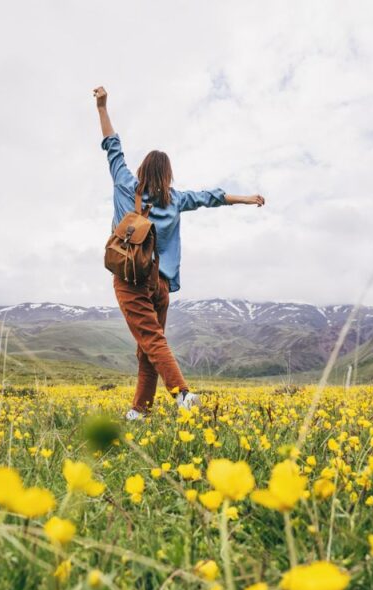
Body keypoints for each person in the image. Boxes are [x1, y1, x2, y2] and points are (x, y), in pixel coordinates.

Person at [94, 86, 265, 420]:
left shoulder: (125, 185)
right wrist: (246, 198)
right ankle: (139, 411)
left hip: (129, 278)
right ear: (167, 175)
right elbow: (209, 196)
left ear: (143, 170)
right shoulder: (176, 200)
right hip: (159, 284)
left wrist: (102, 107)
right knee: (149, 347)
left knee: (151, 342)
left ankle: (183, 395)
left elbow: (112, 147)